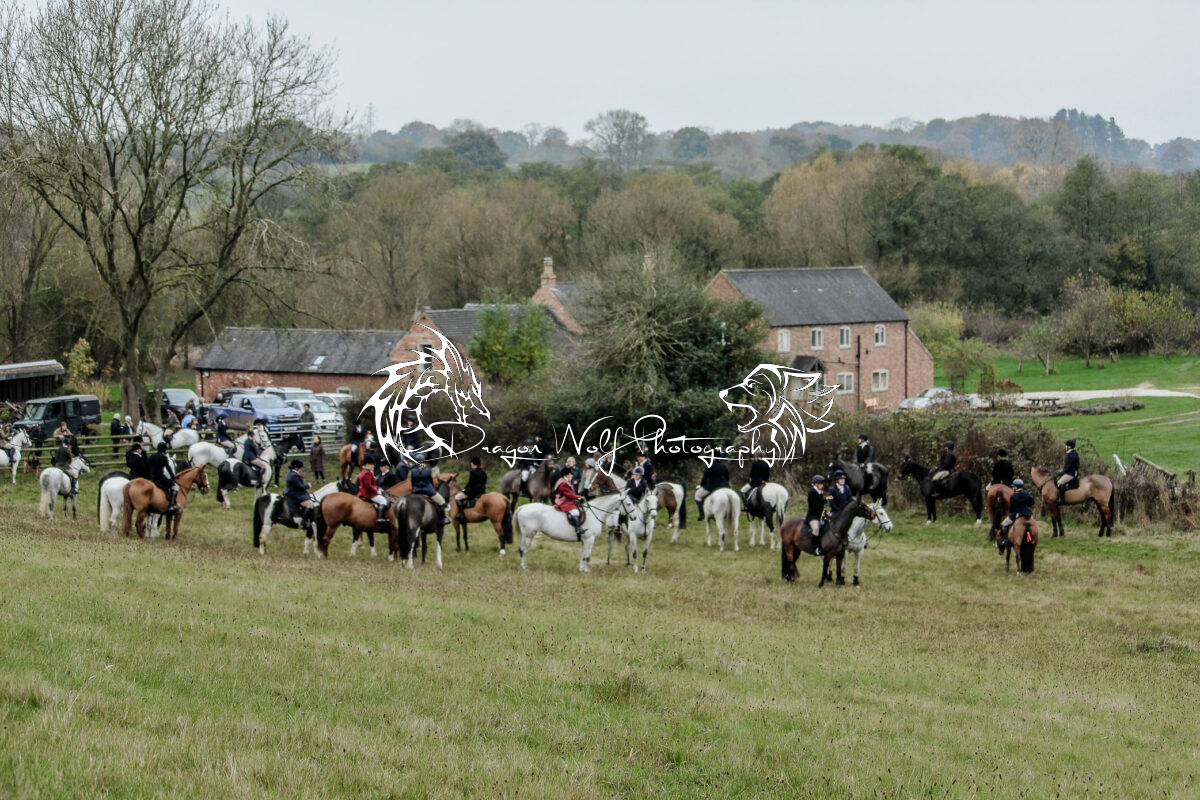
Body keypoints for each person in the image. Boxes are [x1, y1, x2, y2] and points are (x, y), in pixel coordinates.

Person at [410, 459, 447, 527]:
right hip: (428, 491)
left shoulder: (413, 471)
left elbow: (413, 482)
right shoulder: (427, 470)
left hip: (416, 491)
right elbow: (430, 481)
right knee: (442, 502)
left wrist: (414, 490)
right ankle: (443, 519)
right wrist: (432, 488)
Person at [356, 454, 390, 525]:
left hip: (367, 491)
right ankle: (380, 518)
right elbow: (369, 486)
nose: (374, 466)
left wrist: (379, 488)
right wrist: (377, 490)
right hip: (368, 493)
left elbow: (372, 484)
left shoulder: (366, 471)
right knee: (383, 501)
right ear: (367, 464)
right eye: (372, 464)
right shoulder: (366, 473)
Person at [553, 465, 585, 540]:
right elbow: (569, 495)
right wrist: (579, 497)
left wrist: (577, 497)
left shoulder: (565, 481)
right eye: (571, 474)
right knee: (575, 512)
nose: (572, 475)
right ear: (566, 475)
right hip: (563, 501)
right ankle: (577, 529)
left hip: (566, 499)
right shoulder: (563, 483)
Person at [454, 455, 488, 523]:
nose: (471, 465)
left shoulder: (473, 472)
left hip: (473, 492)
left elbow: (471, 483)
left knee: (457, 497)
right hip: (482, 492)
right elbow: (485, 482)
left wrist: (465, 489)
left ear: (473, 464)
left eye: (471, 464)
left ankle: (461, 513)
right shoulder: (483, 472)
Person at [148, 441, 179, 514]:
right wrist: (173, 477)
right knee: (175, 486)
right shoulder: (163, 457)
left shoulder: (152, 456)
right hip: (160, 478)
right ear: (164, 449)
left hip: (151, 478)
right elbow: (168, 468)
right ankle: (172, 505)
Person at [804, 475, 829, 555]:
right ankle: (815, 548)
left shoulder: (820, 492)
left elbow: (821, 507)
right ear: (816, 484)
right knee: (816, 529)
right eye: (821, 484)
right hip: (812, 517)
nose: (822, 485)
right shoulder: (811, 493)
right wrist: (825, 500)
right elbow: (815, 505)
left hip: (819, 516)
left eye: (822, 484)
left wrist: (825, 513)